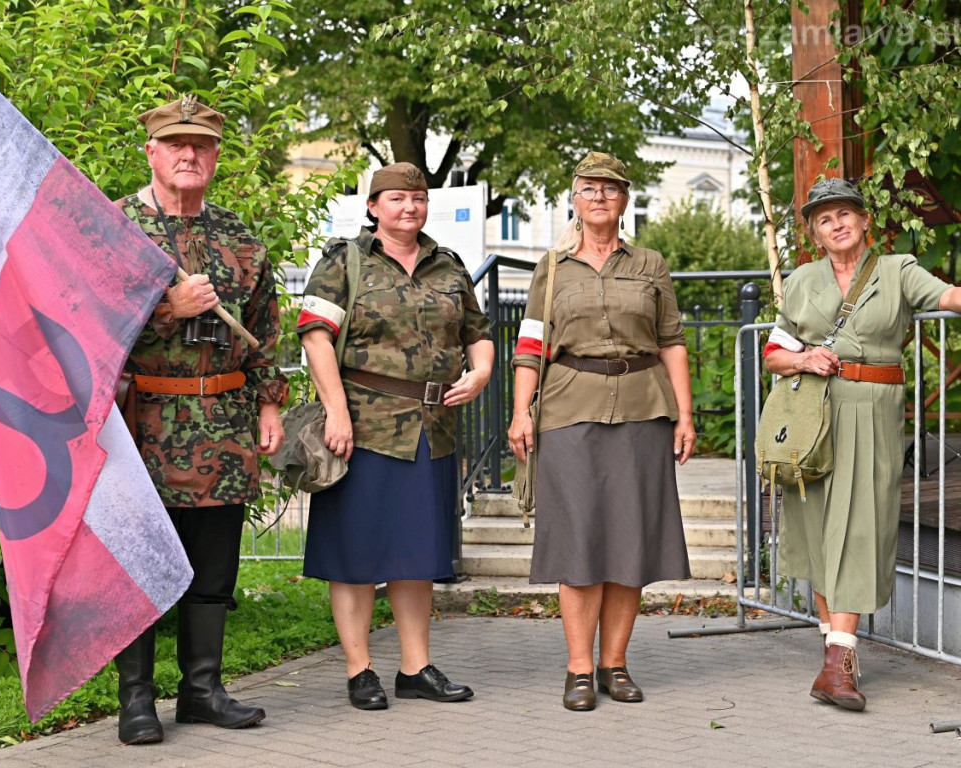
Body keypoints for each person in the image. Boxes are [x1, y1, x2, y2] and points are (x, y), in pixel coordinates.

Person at [112, 95, 288, 744]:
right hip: (140, 425)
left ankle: (202, 690)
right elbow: (82, 329)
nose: (190, 154)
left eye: (203, 145)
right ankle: (136, 701)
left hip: (224, 423)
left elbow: (266, 331)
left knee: (212, 570)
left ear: (216, 155)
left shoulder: (240, 239)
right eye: (176, 144)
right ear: (152, 151)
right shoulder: (116, 229)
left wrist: (270, 402)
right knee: (140, 567)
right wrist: (168, 310)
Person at [297, 162, 493, 710]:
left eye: (418, 198)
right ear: (373, 207)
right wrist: (336, 411)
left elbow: (477, 334)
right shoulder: (345, 261)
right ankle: (360, 670)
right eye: (397, 199)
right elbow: (315, 337)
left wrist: (480, 373)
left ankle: (415, 667)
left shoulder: (448, 265)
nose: (410, 207)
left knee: (417, 554)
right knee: (354, 554)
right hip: (362, 427)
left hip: (433, 431)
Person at [763, 177, 961, 712]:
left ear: (864, 220)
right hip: (814, 414)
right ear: (814, 232)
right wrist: (804, 358)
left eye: (845, 213)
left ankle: (837, 661)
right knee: (823, 529)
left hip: (872, 413)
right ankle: (837, 659)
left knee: (859, 528)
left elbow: (947, 297)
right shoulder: (803, 280)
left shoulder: (898, 269)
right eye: (824, 219)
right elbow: (773, 352)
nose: (837, 223)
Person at [507, 151, 695, 712]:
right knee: (578, 541)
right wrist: (522, 411)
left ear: (624, 199)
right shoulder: (552, 267)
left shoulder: (651, 265)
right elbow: (531, 346)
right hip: (568, 410)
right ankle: (579, 669)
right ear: (574, 197)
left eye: (610, 188)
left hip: (642, 408)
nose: (599, 197)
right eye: (589, 188)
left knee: (630, 542)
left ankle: (616, 664)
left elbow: (671, 341)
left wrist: (685, 415)